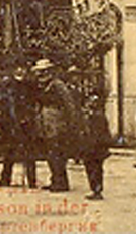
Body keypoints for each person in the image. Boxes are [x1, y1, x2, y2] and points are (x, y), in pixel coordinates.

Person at [35, 59, 76, 192]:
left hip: (57, 123)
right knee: (50, 153)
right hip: (46, 124)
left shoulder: (58, 85)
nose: (41, 75)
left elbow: (68, 103)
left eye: (43, 71)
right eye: (39, 72)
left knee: (57, 153)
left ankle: (61, 182)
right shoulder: (42, 86)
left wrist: (70, 122)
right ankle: (55, 179)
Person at [0, 64, 39, 188]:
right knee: (9, 152)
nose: (20, 70)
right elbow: (3, 103)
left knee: (29, 153)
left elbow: (34, 103)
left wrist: (28, 117)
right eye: (17, 68)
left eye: (22, 68)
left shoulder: (30, 85)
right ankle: (5, 179)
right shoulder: (8, 85)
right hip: (11, 123)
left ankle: (32, 181)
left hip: (26, 123)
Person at [76, 81, 112, 200]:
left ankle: (97, 189)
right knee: (90, 167)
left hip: (96, 146)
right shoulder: (89, 115)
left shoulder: (98, 116)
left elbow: (101, 133)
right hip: (90, 146)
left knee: (95, 168)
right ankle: (95, 189)